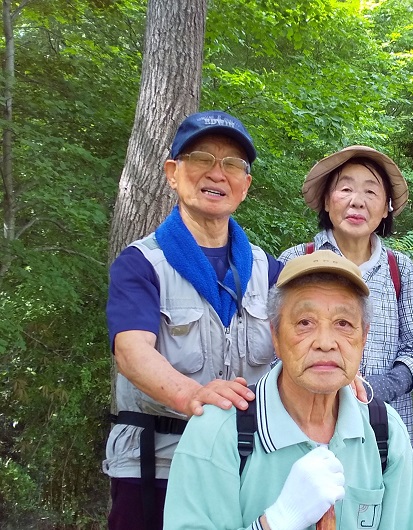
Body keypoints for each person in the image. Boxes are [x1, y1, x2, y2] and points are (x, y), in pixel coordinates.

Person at [104, 110, 284, 530]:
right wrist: (192, 395)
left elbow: (301, 340)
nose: (217, 174)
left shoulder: (268, 270)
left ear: (245, 186)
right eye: (202, 158)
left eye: (233, 164)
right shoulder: (141, 264)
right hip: (156, 463)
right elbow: (131, 353)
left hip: (244, 460)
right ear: (172, 172)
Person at [162, 250, 413, 530]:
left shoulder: (385, 433)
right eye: (304, 323)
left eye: (343, 324)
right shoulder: (219, 432)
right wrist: (277, 521)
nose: (325, 342)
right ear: (275, 335)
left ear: (363, 336)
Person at [279, 146, 413, 447]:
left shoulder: (399, 268)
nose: (357, 201)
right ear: (326, 201)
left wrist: (380, 387)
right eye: (346, 188)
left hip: (385, 432)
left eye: (370, 192)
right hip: (306, 429)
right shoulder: (296, 260)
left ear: (386, 208)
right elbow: (275, 345)